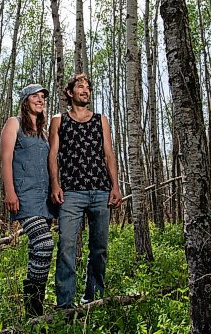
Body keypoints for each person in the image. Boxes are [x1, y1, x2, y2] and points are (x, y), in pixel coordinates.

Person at [48, 73, 122, 309]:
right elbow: (53, 156)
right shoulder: (59, 120)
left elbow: (109, 154)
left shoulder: (101, 119)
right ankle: (65, 305)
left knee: (99, 249)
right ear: (70, 93)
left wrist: (115, 186)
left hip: (100, 191)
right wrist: (55, 184)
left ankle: (94, 298)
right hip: (71, 193)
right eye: (80, 87)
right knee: (66, 247)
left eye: (88, 87)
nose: (85, 90)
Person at [0, 83, 55, 317]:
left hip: (45, 198)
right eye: (35, 96)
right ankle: (33, 307)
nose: (40, 99)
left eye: (43, 96)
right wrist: (10, 191)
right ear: (25, 100)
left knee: (38, 250)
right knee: (44, 243)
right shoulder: (14, 123)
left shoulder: (43, 132)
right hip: (24, 196)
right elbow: (5, 157)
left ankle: (34, 311)